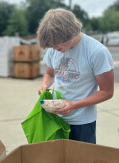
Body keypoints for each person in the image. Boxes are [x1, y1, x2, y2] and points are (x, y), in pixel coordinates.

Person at [37, 9, 114, 144]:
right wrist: (45, 84)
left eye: (56, 44)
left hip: (82, 122)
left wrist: (74, 105)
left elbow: (107, 92)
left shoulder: (97, 52)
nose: (54, 48)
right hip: (56, 118)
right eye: (51, 45)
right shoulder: (54, 49)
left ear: (70, 33)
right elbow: (50, 74)